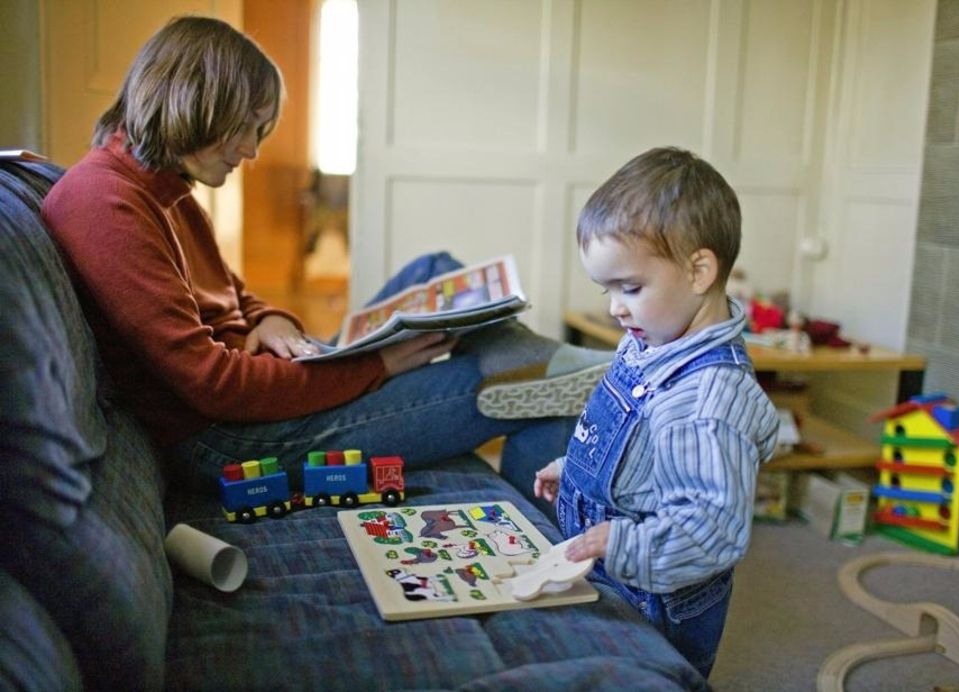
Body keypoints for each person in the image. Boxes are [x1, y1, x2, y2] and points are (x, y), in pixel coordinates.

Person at [41, 15, 610, 491]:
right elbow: (211, 383)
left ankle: (537, 362)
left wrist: (270, 318)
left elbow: (233, 293)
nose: (252, 150)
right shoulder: (103, 201)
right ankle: (545, 396)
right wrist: (376, 364)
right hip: (228, 440)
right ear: (194, 101)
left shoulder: (167, 190)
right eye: (246, 128)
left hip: (263, 396)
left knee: (435, 268)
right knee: (529, 393)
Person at [532, 147, 780, 678]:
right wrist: (577, 472)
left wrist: (619, 542)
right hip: (609, 563)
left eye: (631, 288)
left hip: (654, 596)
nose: (615, 307)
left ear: (698, 271)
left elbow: (712, 529)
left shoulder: (710, 400)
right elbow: (635, 448)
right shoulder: (651, 340)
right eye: (609, 290)